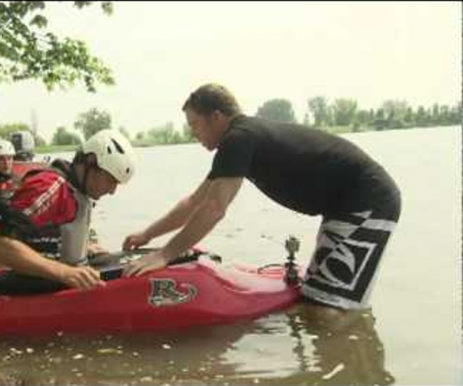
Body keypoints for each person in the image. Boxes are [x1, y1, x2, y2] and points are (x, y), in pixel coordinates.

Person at [122, 83, 401, 310]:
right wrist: (147, 234)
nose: (193, 133)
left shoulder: (238, 138)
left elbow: (214, 208)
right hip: (343, 206)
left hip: (368, 201)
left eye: (195, 124)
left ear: (216, 117)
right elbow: (195, 202)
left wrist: (165, 255)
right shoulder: (240, 139)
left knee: (328, 310)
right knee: (314, 298)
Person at [0, 129, 137, 290]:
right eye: (110, 180)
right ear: (90, 162)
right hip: (35, 288)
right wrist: (65, 273)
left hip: (56, 277)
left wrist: (84, 247)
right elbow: (1, 247)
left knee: (116, 262)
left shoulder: (77, 190)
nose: (112, 191)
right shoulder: (50, 187)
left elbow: (47, 236)